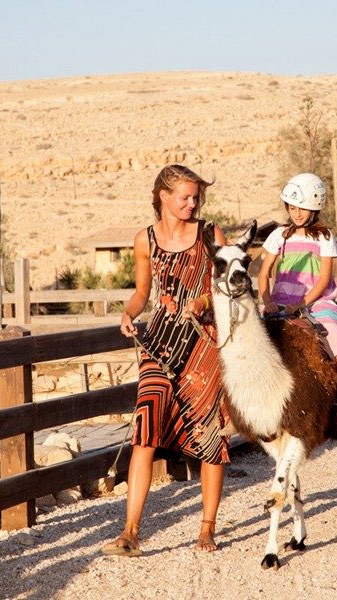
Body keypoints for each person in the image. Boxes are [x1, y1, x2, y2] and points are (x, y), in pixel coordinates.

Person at [103, 164, 230, 557]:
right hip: (160, 341)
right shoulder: (145, 240)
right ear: (162, 195)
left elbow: (228, 284)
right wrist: (129, 313)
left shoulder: (211, 235)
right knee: (145, 429)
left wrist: (204, 301)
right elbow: (143, 292)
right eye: (185, 197)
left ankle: (207, 529)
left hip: (204, 344)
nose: (193, 204)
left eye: (196, 198)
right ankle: (131, 531)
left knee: (210, 435)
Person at [257, 172, 337, 435]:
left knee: (335, 338)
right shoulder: (278, 236)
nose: (297, 213)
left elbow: (323, 279)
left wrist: (303, 303)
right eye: (293, 207)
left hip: (316, 302)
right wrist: (267, 300)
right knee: (252, 340)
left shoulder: (324, 237)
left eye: (304, 208)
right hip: (280, 303)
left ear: (315, 208)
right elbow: (264, 274)